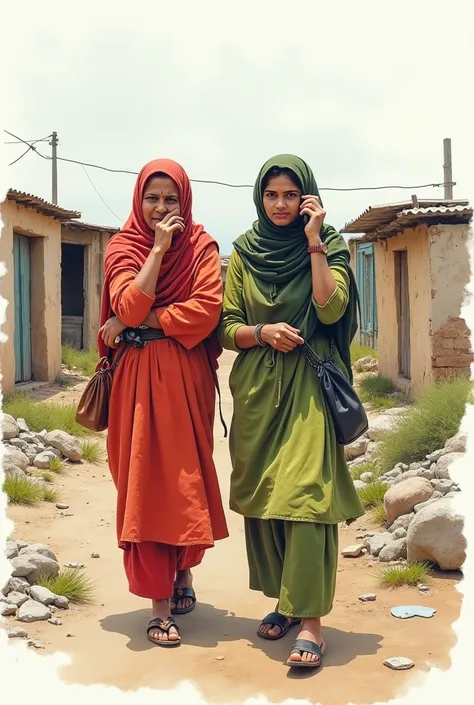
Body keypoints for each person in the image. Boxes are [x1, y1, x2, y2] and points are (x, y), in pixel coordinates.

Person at [218, 154, 364, 669]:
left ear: (307, 198)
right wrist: (262, 333)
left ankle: (311, 624)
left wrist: (315, 241)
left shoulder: (331, 246)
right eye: (271, 195)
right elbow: (225, 325)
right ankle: (284, 599)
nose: (280, 205)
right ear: (260, 198)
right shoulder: (243, 252)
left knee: (306, 497)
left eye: (289, 195)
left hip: (309, 387)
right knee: (265, 499)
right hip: (257, 390)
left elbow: (330, 308)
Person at [98, 158, 228, 648]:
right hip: (135, 381)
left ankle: (182, 576)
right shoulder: (125, 246)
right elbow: (125, 305)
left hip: (186, 379)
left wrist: (142, 323)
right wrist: (156, 251)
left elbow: (205, 312)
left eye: (170, 199)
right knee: (144, 483)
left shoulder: (202, 246)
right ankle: (157, 603)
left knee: (183, 481)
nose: (160, 207)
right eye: (152, 198)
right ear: (139, 200)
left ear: (185, 201)